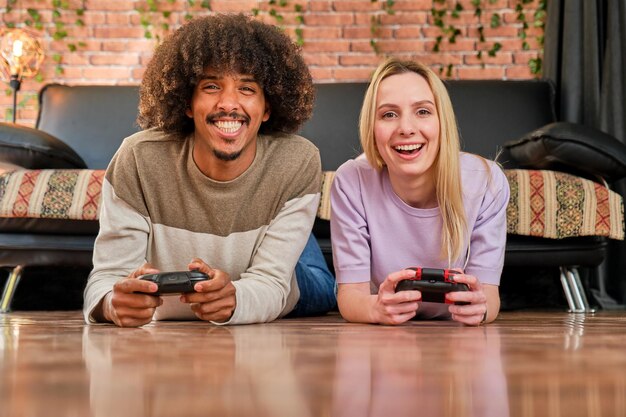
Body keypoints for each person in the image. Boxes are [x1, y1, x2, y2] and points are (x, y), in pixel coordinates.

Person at [83, 13, 336, 327]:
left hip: (285, 274)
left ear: (267, 108)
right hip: (252, 239)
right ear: (188, 103)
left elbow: (272, 282)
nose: (228, 103)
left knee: (327, 291)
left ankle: (294, 237)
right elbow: (107, 280)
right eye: (212, 86)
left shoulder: (297, 160)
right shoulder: (137, 158)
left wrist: (234, 301)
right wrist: (111, 304)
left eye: (247, 89)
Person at [330, 58, 509, 326]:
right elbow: (351, 296)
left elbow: (489, 296)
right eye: (389, 114)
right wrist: (375, 309)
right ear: (372, 126)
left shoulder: (486, 181)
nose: (406, 128)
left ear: (442, 122)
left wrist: (480, 309)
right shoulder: (350, 180)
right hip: (384, 336)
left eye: (423, 111)